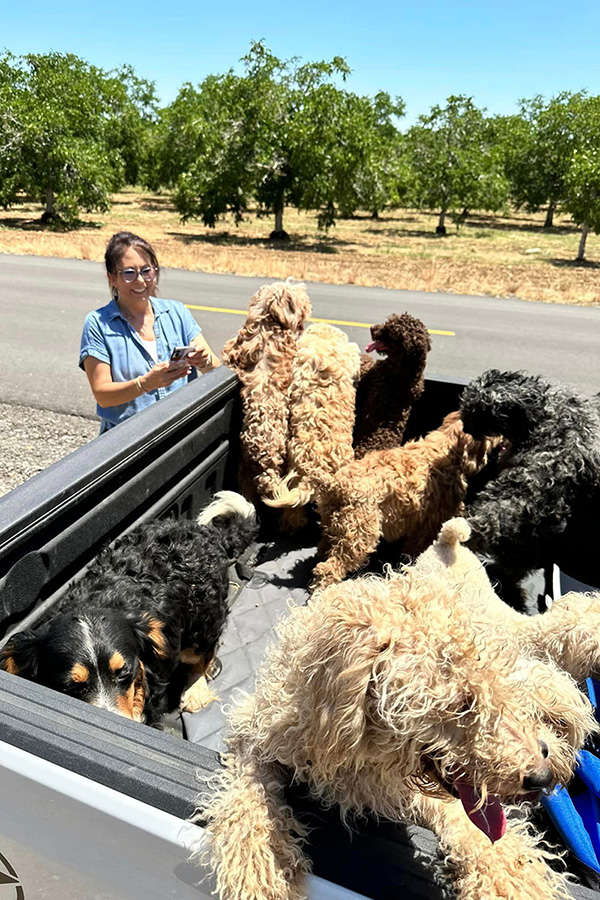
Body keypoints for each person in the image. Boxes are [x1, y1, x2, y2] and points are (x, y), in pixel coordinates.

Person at [79, 232, 220, 433]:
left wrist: (203, 361)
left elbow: (215, 369)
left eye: (146, 271)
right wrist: (145, 384)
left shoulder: (177, 312)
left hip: (181, 432)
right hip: (128, 440)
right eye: (129, 273)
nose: (140, 280)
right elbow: (103, 394)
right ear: (112, 278)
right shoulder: (98, 324)